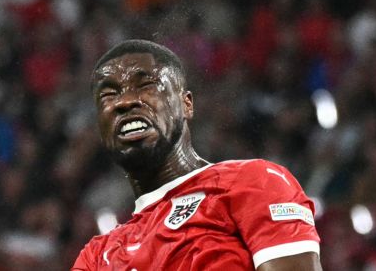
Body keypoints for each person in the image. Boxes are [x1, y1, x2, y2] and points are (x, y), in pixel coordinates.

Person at [71, 39, 322, 270]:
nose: (124, 102)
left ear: (186, 104)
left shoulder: (254, 182)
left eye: (146, 85)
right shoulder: (96, 256)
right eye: (108, 94)